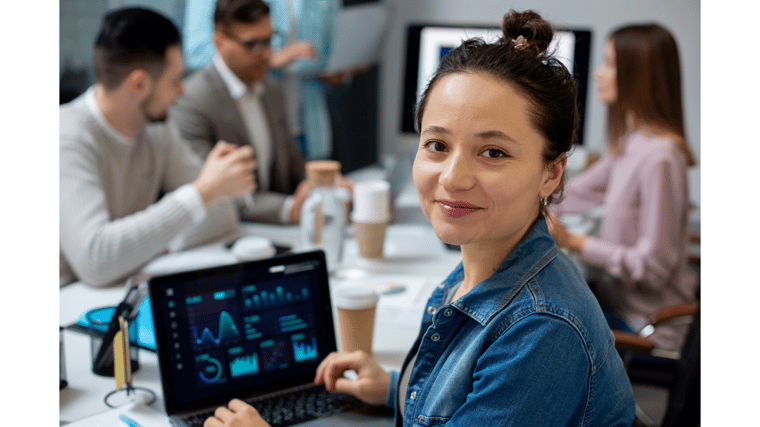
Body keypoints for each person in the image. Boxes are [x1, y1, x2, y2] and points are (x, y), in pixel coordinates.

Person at [203, 10, 635, 427]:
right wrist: (394, 389)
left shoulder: (541, 330)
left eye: (494, 153)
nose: (454, 178)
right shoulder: (482, 265)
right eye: (437, 145)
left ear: (551, 172)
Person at [59, 7, 256, 287]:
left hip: (118, 296)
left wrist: (146, 244)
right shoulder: (66, 138)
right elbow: (96, 261)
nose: (182, 91)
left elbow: (223, 215)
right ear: (138, 83)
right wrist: (202, 192)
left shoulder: (157, 129)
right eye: (175, 80)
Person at [547, 23, 698, 352]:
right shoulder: (632, 144)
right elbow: (571, 193)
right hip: (618, 306)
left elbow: (652, 269)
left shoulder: (661, 158)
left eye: (610, 63)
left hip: (647, 325)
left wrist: (574, 240)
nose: (599, 73)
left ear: (639, 76)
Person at [172, 0, 332, 225]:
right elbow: (213, 193)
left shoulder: (271, 91)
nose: (266, 54)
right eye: (252, 45)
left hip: (274, 234)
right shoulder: (192, 102)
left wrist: (326, 186)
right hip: (227, 236)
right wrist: (288, 209)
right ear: (219, 43)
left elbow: (293, 165)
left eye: (268, 41)